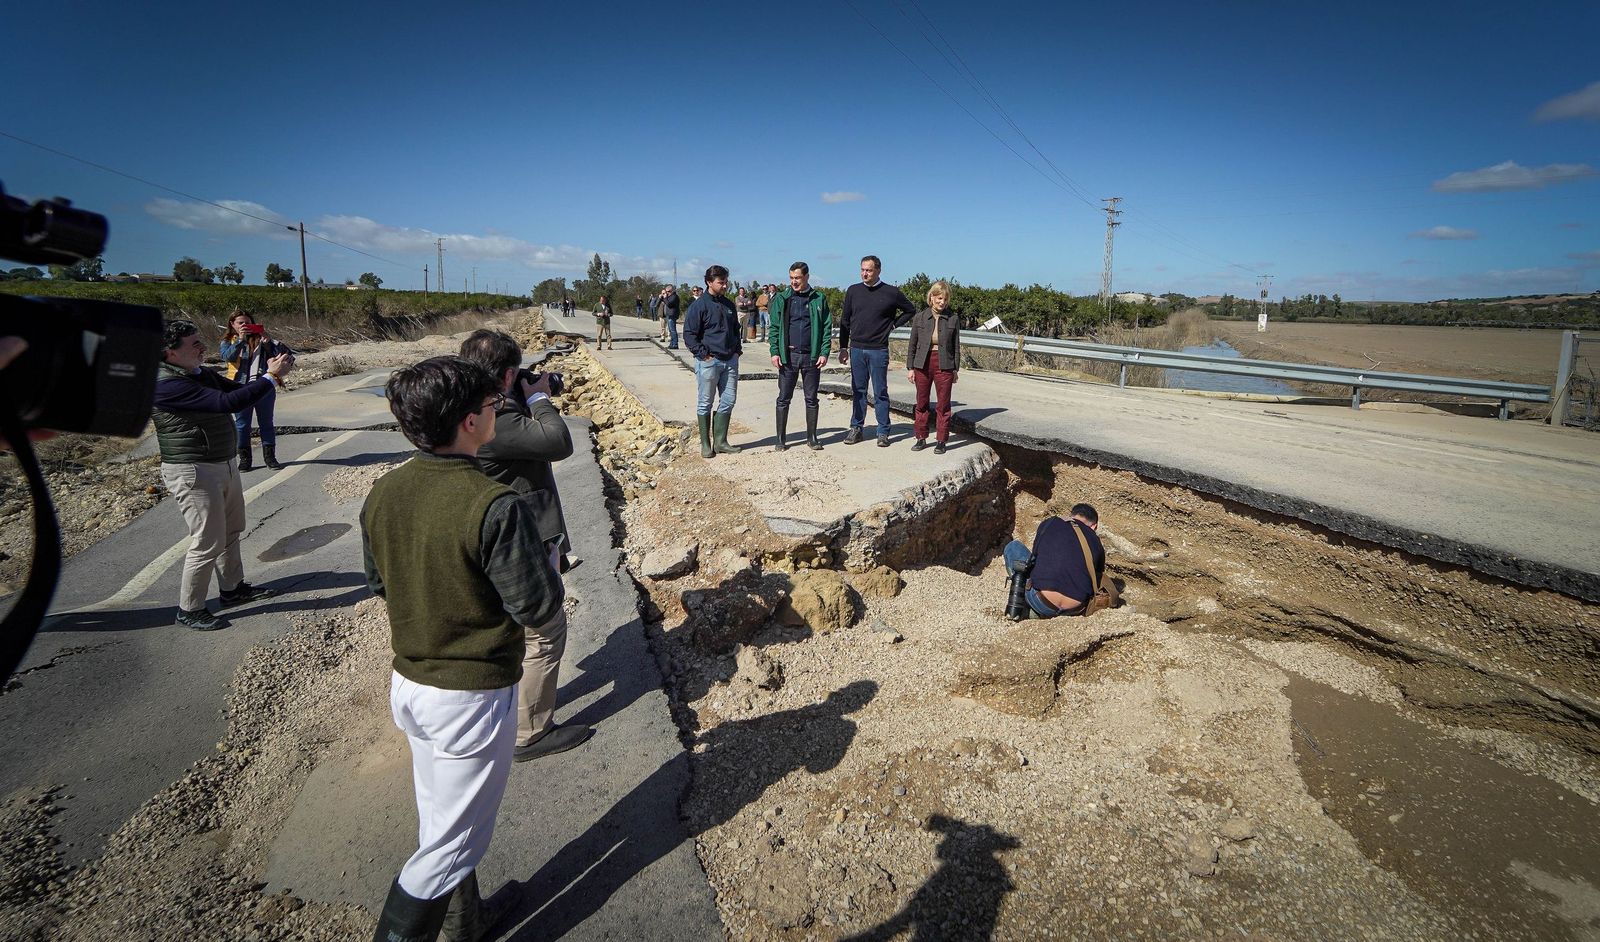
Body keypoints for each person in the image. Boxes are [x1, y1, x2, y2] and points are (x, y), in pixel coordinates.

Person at [362, 356, 564, 941]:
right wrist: (547, 569)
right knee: (453, 846)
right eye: (491, 406)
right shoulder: (492, 504)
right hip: (468, 698)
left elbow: (379, 583)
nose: (497, 411)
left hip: (411, 686)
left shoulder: (384, 492)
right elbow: (536, 607)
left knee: (438, 819)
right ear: (469, 422)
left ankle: (464, 924)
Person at [458, 329, 593, 762]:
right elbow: (557, 442)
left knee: (512, 628)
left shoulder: (462, 407)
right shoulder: (496, 419)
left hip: (491, 533)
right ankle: (529, 731)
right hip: (523, 539)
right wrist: (537, 398)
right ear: (509, 373)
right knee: (544, 632)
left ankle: (508, 705)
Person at [153, 320, 291, 631]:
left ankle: (232, 590)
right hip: (193, 470)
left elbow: (242, 392)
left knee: (231, 530)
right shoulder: (167, 385)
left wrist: (270, 371)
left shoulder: (198, 373)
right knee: (207, 540)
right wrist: (270, 377)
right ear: (169, 353)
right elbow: (226, 403)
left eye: (199, 340)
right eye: (193, 344)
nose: (203, 347)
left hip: (221, 463)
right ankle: (189, 608)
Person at [838, 255, 917, 447]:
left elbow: (910, 310)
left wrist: (892, 326)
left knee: (880, 391)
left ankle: (883, 432)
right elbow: (845, 321)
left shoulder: (891, 292)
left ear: (878, 271)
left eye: (869, 270)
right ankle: (856, 428)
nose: (865, 273)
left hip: (878, 350)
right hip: (856, 348)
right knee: (858, 390)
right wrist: (843, 347)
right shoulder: (853, 291)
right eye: (863, 270)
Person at [1002, 504, 1114, 619]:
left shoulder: (1051, 522)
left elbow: (1034, 557)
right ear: (1094, 526)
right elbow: (1097, 575)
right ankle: (1041, 613)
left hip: (1041, 602)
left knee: (1013, 546)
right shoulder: (1096, 540)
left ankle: (1021, 607)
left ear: (1071, 515)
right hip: (1076, 609)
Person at [767, 262, 830, 452]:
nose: (794, 282)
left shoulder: (818, 298)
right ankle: (780, 438)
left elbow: (826, 327)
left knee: (811, 398)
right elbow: (775, 327)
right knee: (783, 398)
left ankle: (812, 437)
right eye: (791, 278)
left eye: (798, 278)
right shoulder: (782, 299)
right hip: (789, 357)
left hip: (811, 357)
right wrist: (775, 351)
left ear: (807, 277)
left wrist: (824, 352)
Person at [218, 310, 293, 471]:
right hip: (239, 387)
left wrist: (267, 341)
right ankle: (245, 460)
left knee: (266, 423)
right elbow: (228, 357)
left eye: (248, 323)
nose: (244, 326)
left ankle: (270, 458)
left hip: (264, 385)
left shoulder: (262, 341)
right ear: (232, 324)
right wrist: (240, 340)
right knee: (242, 425)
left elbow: (285, 356)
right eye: (240, 323)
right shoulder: (228, 341)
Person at [683, 265, 741, 458]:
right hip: (708, 361)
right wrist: (703, 354)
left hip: (729, 361)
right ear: (709, 282)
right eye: (721, 282)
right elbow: (689, 334)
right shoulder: (699, 306)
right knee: (705, 402)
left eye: (726, 282)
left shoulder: (729, 304)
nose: (725, 286)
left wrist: (736, 351)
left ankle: (721, 441)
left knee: (728, 400)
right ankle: (706, 444)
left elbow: (735, 329)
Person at [905, 280, 961, 454]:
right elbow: (912, 344)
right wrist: (910, 368)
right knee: (922, 402)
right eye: (938, 298)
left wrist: (955, 369)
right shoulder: (920, 317)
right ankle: (921, 437)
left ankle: (941, 440)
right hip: (922, 363)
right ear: (931, 297)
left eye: (945, 299)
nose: (942, 302)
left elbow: (956, 346)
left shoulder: (953, 318)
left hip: (944, 364)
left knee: (943, 405)